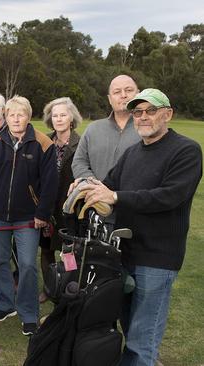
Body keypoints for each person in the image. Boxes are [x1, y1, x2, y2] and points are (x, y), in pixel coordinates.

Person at [78, 89, 202, 366]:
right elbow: (108, 185)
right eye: (137, 112)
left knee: (141, 341)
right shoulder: (133, 153)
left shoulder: (186, 151)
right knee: (128, 328)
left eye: (150, 110)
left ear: (167, 114)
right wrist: (86, 186)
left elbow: (169, 196)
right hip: (124, 255)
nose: (143, 117)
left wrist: (116, 196)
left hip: (157, 259)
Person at [0, 95, 58, 336]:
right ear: (5, 117)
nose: (15, 119)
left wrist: (42, 213)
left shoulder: (43, 144)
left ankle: (29, 313)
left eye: (20, 114)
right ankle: (6, 304)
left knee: (27, 265)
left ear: (28, 116)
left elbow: (50, 185)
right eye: (11, 114)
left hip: (29, 218)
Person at [37, 97, 82, 303]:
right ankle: (48, 288)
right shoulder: (43, 141)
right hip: (47, 207)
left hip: (70, 208)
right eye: (55, 115)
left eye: (63, 115)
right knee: (46, 251)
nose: (59, 119)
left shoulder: (80, 143)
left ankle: (68, 287)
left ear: (71, 117)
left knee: (69, 252)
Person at [72, 75, 141, 181]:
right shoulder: (93, 129)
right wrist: (93, 185)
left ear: (138, 94)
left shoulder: (148, 129)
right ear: (109, 99)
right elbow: (79, 162)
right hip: (96, 195)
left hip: (135, 196)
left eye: (129, 90)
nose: (123, 95)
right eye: (117, 92)